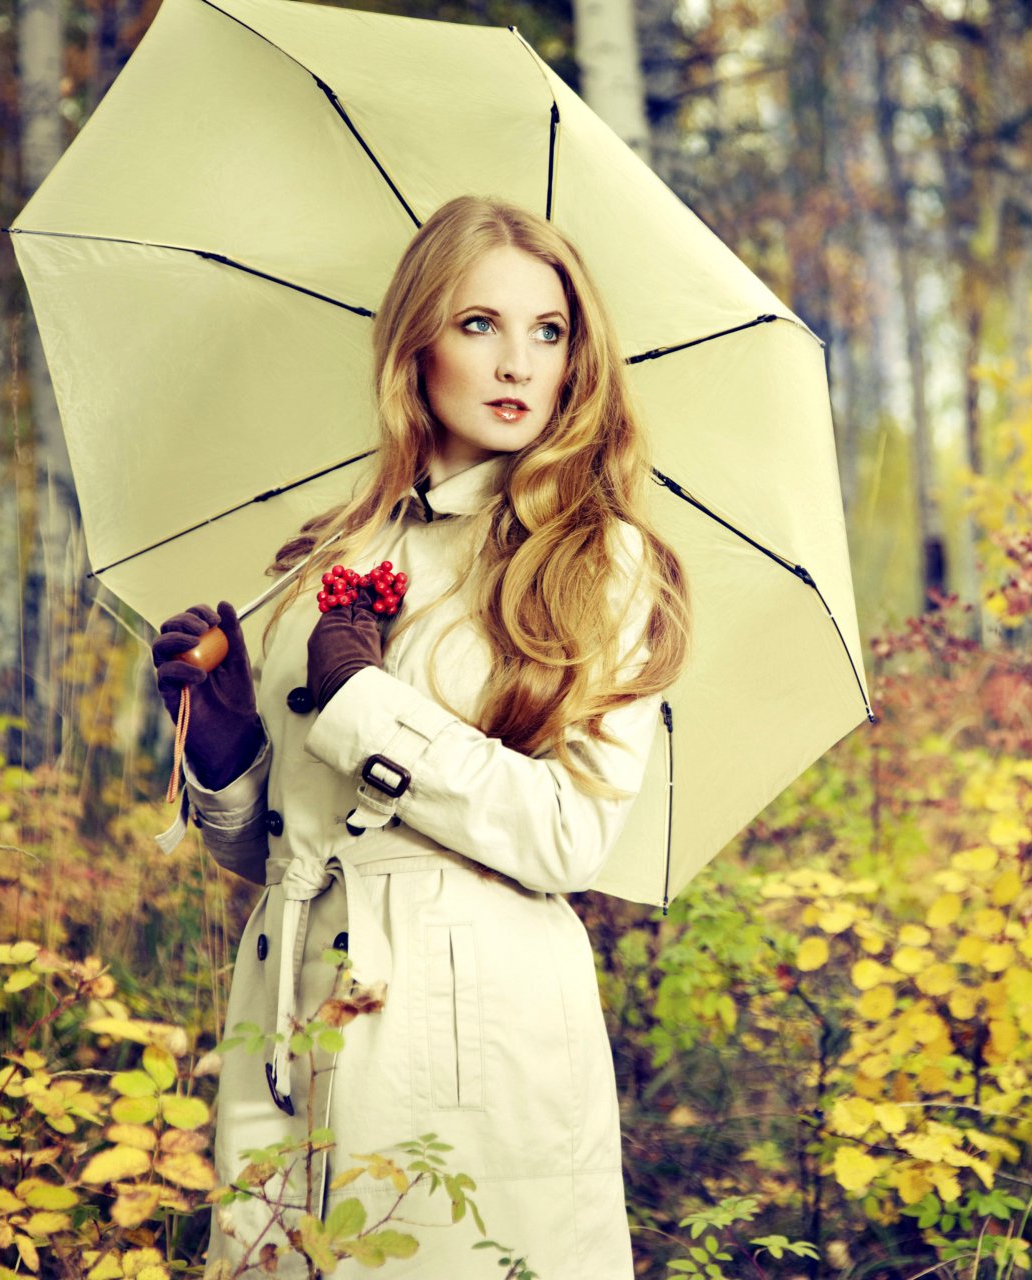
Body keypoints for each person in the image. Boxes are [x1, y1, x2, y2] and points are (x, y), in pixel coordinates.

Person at [149, 194, 690, 1279]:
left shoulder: (593, 560)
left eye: (549, 331)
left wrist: (364, 704)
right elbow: (286, 850)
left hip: (473, 1024)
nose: (519, 362)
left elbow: (569, 836)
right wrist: (223, 753)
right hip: (289, 1010)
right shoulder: (331, 554)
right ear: (416, 345)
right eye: (479, 324)